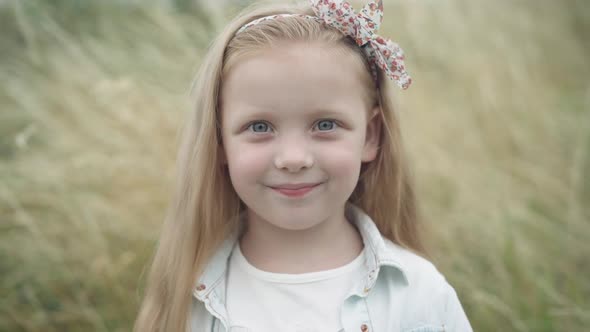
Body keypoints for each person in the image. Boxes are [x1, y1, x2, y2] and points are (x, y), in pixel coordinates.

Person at [134, 0, 473, 331]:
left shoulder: (420, 297)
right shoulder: (185, 303)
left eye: (325, 125)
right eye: (259, 127)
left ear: (370, 136)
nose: (293, 158)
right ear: (220, 142)